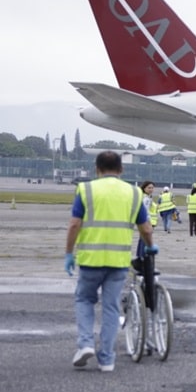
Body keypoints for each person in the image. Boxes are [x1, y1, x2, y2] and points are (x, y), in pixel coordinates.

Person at [65, 151, 156, 372]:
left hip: (90, 259)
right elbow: (145, 227)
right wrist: (150, 245)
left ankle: (85, 343)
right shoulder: (133, 193)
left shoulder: (86, 190)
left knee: (85, 300)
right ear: (121, 170)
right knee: (111, 308)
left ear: (97, 169)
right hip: (118, 261)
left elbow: (75, 225)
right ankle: (107, 359)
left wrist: (69, 252)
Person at [135, 181, 158, 260]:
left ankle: (140, 256)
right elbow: (145, 211)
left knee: (142, 239)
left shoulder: (145, 197)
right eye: (149, 188)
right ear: (144, 188)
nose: (151, 189)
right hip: (147, 222)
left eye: (152, 188)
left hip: (148, 221)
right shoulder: (146, 199)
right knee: (144, 240)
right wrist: (147, 223)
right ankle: (142, 257)